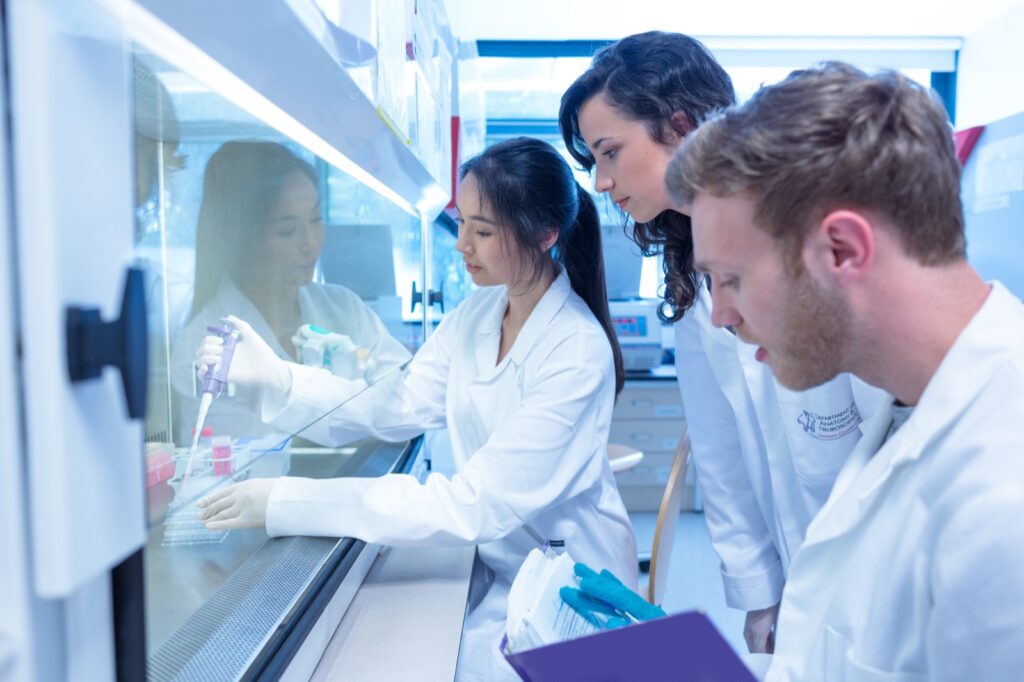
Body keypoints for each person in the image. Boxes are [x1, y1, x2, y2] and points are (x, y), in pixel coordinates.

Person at [193, 137, 638, 681]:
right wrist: (280, 379)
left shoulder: (576, 351)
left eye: (482, 231)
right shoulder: (480, 312)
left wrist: (287, 500)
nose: (462, 244)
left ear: (545, 235)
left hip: (570, 589)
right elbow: (396, 402)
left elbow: (472, 505)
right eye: (462, 223)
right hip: (506, 565)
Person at [668, 61, 1024, 680]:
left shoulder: (1001, 501)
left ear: (843, 250)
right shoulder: (906, 410)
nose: (720, 316)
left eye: (732, 279)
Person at [559, 31, 888, 652]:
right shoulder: (692, 271)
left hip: (878, 567)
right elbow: (720, 451)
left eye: (610, 153)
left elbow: (889, 428)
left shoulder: (813, 241)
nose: (601, 182)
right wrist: (760, 591)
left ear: (679, 126)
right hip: (799, 569)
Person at [170, 140, 411, 442]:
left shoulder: (345, 308)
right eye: (287, 231)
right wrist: (358, 407)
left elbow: (405, 400)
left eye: (316, 219)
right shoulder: (205, 345)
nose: (311, 243)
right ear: (242, 238)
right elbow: (239, 456)